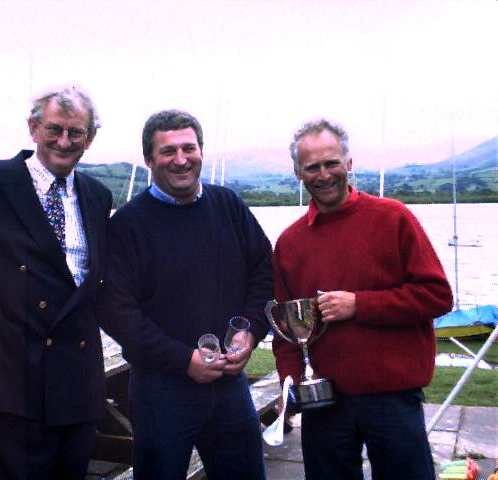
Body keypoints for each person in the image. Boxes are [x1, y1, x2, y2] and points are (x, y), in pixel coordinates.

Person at [272, 118, 453, 480]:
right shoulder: (290, 244)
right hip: (323, 401)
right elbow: (286, 332)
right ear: (297, 173)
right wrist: (289, 383)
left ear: (349, 163)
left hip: (392, 396)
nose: (324, 174)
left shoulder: (393, 218)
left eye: (331, 163)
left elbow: (437, 296)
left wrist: (360, 305)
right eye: (312, 167)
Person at [100, 110, 273, 479]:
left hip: (229, 385)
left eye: (188, 148)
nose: (180, 160)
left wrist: (251, 330)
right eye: (168, 151)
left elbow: (263, 271)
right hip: (161, 392)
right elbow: (116, 310)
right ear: (148, 159)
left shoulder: (228, 206)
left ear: (201, 151)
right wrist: (182, 359)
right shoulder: (127, 225)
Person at [0, 85, 112, 480]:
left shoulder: (98, 195)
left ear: (90, 138)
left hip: (79, 385)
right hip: (15, 384)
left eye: (75, 133)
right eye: (54, 129)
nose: (64, 141)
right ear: (33, 128)